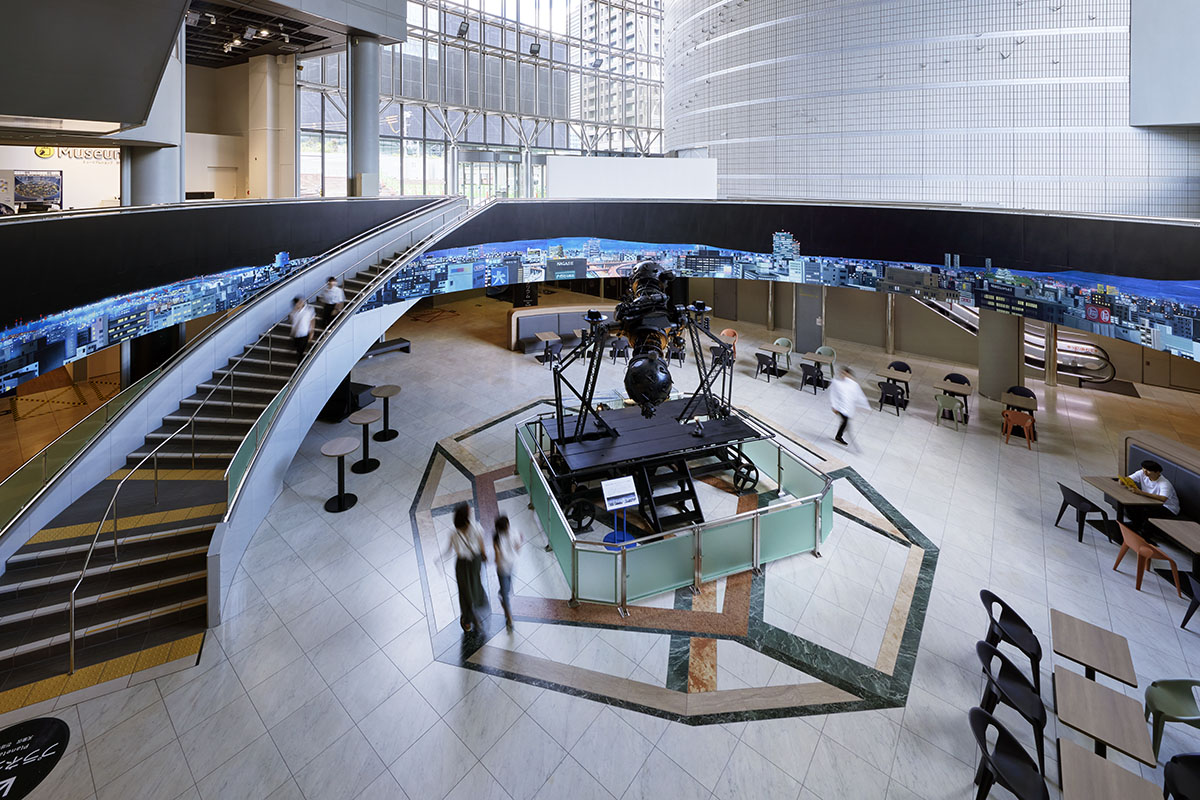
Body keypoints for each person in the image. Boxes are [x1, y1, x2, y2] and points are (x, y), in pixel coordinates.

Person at [449, 502, 488, 632]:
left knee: (464, 592)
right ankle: (475, 610)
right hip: (475, 562)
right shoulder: (476, 528)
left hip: (461, 564)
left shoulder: (454, 533)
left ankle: (467, 618)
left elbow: (455, 550)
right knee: (475, 585)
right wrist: (484, 555)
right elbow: (482, 546)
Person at [1126, 459, 1180, 532]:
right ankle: (1136, 525)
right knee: (1130, 504)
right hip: (1150, 501)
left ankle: (1145, 532)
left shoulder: (1164, 483)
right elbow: (1128, 479)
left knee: (1146, 511)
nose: (1145, 472)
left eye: (1148, 471)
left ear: (1157, 472)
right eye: (1143, 469)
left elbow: (1163, 498)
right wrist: (1123, 481)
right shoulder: (1142, 473)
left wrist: (1141, 492)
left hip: (1168, 508)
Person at [493, 514, 524, 631]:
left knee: (506, 590)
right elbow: (518, 548)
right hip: (511, 566)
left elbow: (496, 558)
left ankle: (502, 594)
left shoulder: (496, 538)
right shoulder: (514, 532)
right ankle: (509, 617)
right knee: (507, 592)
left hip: (502, 568)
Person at [829, 366, 869, 446]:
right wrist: (834, 406)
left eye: (845, 374)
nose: (843, 375)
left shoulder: (853, 385)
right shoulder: (837, 383)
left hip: (848, 407)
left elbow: (859, 396)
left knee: (845, 421)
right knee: (845, 421)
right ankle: (839, 436)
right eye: (842, 373)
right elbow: (833, 394)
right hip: (840, 407)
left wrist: (864, 406)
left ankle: (840, 434)